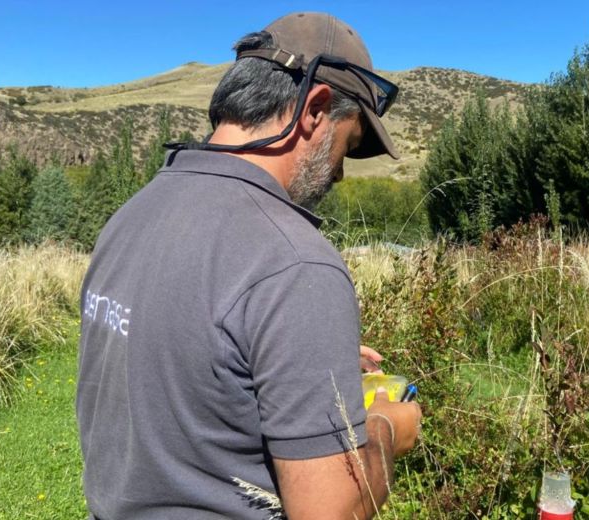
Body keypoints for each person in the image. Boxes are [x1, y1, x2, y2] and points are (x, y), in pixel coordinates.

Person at [76, 12, 422, 520]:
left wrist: (296, 364)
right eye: (347, 146)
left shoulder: (134, 213)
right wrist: (390, 430)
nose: (341, 174)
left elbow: (181, 350)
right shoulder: (294, 262)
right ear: (315, 110)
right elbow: (329, 512)